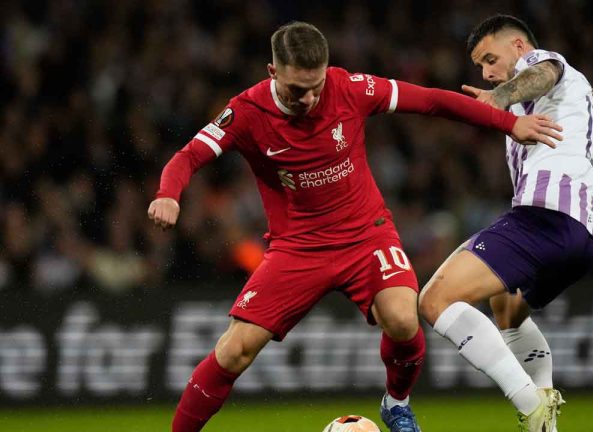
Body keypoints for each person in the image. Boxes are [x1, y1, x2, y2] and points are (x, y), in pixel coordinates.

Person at [147, 21, 562, 432]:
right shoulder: (247, 111)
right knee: (234, 351)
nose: (310, 98)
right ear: (273, 73)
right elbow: (187, 156)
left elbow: (432, 101)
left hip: (367, 234)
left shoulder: (350, 88)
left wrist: (509, 123)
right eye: (297, 90)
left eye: (316, 85)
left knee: (403, 318)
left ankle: (396, 404)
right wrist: (168, 192)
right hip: (298, 248)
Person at [418, 14, 593, 432]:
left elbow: (543, 72)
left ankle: (529, 405)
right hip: (586, 235)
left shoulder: (543, 64)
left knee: (434, 301)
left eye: (490, 59)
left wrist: (500, 96)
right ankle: (545, 420)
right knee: (507, 307)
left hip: (548, 217)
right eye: (480, 67)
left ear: (519, 47)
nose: (486, 73)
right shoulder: (536, 112)